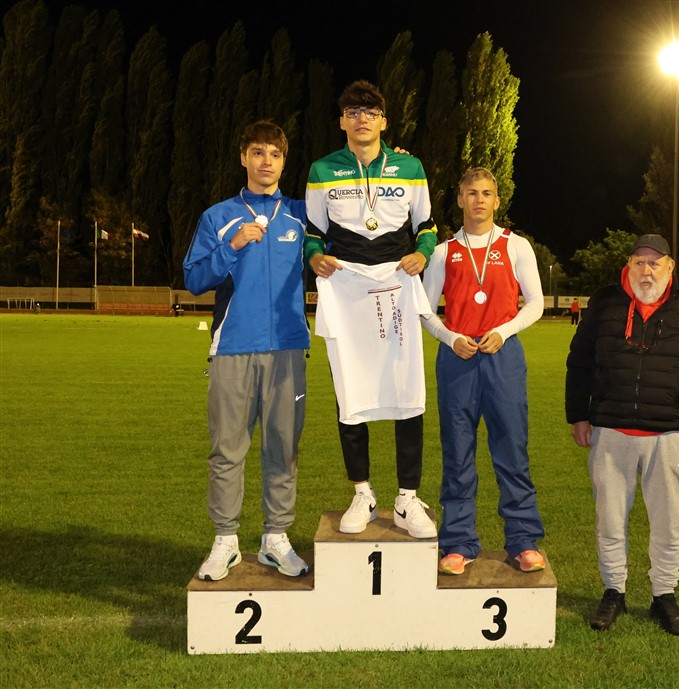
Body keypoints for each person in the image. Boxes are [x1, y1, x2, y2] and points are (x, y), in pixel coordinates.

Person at [566, 233, 679, 636]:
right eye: (639, 262)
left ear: (670, 267)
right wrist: (578, 415)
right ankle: (613, 590)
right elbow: (580, 361)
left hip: (667, 434)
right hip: (610, 429)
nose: (646, 270)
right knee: (609, 520)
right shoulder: (605, 303)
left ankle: (664, 594)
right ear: (629, 265)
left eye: (655, 262)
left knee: (668, 523)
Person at [304, 80, 439, 539]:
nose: (362, 119)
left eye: (371, 112)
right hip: (346, 289)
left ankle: (407, 498)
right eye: (353, 112)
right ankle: (362, 492)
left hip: (396, 284)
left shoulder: (410, 166)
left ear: (384, 121)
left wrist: (422, 253)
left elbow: (427, 226)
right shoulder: (322, 169)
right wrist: (314, 257)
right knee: (350, 393)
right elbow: (313, 233)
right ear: (341, 121)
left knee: (408, 390)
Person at [183, 120, 310, 581]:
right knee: (227, 451)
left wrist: (380, 163)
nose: (266, 162)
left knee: (283, 448)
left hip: (288, 350)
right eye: (258, 152)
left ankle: (276, 538)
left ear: (284, 161)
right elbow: (194, 279)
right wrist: (232, 247)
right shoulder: (219, 216)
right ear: (243, 158)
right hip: (233, 348)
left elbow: (352, 223)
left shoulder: (301, 215)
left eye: (274, 154)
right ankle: (226, 541)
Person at [421, 167, 546, 575]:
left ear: (497, 200)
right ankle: (458, 542)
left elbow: (536, 303)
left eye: (487, 193)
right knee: (457, 452)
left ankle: (523, 540)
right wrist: (450, 337)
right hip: (457, 358)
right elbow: (425, 310)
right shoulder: (443, 252)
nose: (479, 200)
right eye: (471, 193)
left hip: (502, 355)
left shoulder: (516, 246)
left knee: (512, 448)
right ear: (460, 199)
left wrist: (504, 331)